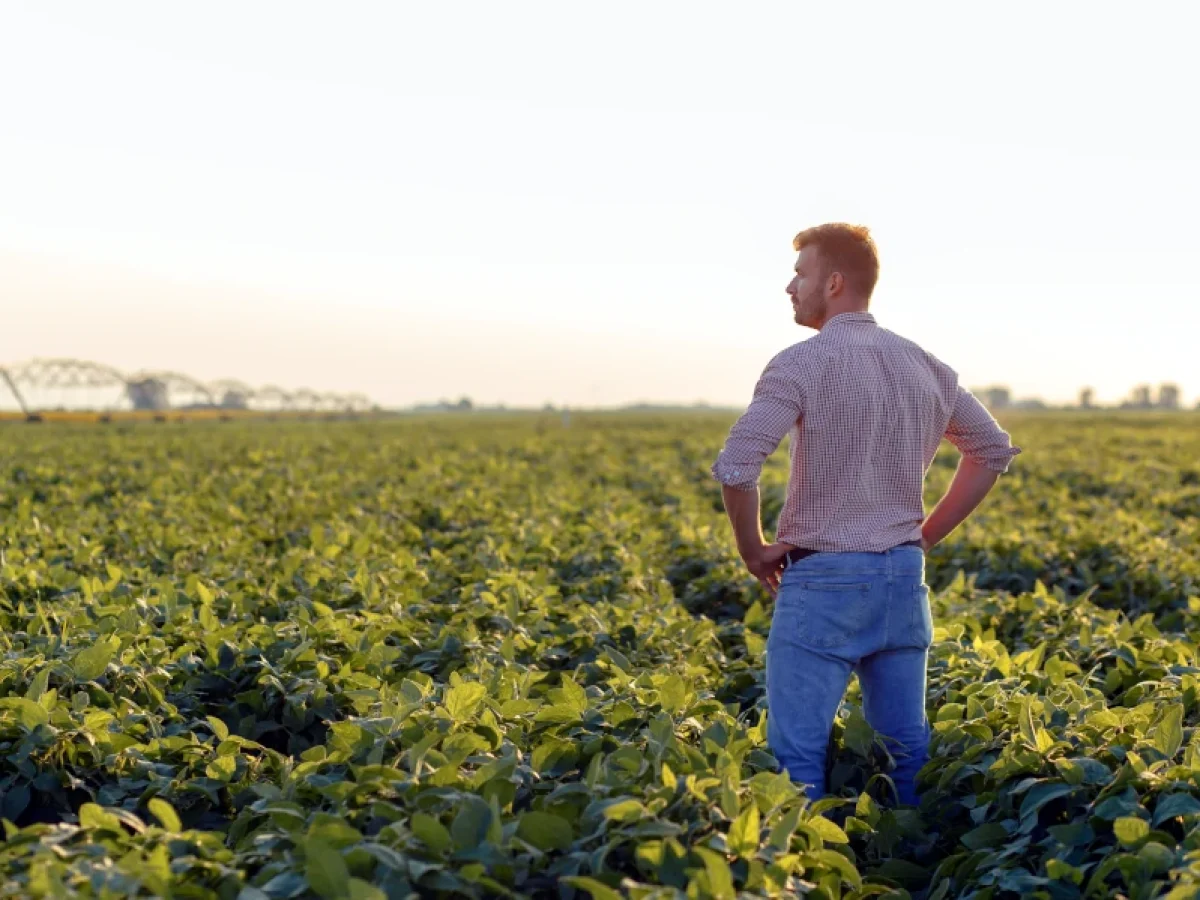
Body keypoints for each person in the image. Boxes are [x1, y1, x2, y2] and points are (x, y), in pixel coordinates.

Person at [710, 223, 1021, 807]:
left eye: (800, 274)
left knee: (797, 755)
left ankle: (795, 876)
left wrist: (752, 550)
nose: (789, 286)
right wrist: (923, 538)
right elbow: (991, 451)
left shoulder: (800, 363)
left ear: (832, 282)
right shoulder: (925, 365)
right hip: (903, 580)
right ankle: (903, 866)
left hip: (823, 579)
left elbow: (736, 466)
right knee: (905, 750)